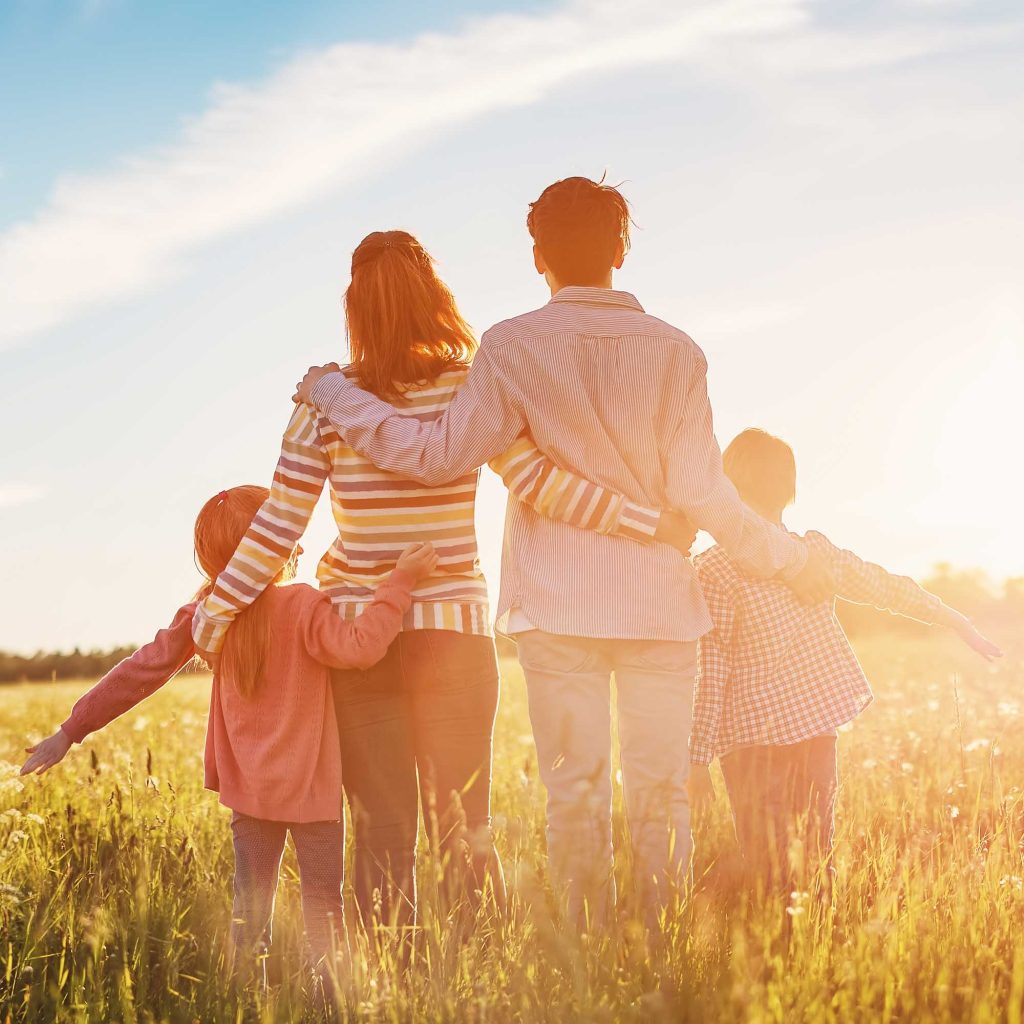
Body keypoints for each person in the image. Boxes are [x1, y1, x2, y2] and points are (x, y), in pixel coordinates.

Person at [294, 176, 835, 927]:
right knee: (660, 792)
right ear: (621, 249)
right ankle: (657, 942)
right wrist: (789, 559)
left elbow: (438, 456)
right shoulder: (679, 352)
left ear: (537, 255)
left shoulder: (511, 347)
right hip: (660, 609)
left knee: (573, 791)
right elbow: (705, 495)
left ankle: (586, 949)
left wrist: (336, 395)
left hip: (557, 606)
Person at [192, 229, 691, 941]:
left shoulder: (323, 404)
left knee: (383, 826)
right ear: (435, 295)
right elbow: (539, 483)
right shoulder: (471, 388)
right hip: (454, 635)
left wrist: (216, 611)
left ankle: (389, 985)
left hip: (358, 639)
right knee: (463, 821)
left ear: (355, 307)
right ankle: (473, 975)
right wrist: (644, 520)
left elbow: (277, 525)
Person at [21, 485, 437, 986]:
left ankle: (247, 1005)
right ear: (270, 544)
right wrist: (400, 583)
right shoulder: (303, 604)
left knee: (249, 916)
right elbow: (360, 647)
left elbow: (140, 671)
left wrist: (71, 731)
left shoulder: (207, 615)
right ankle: (329, 1007)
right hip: (312, 791)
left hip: (250, 791)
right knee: (323, 913)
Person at [687, 429, 1003, 894]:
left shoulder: (716, 566)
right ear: (789, 488)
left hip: (753, 744)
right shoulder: (813, 554)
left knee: (768, 862)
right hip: (810, 732)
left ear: (727, 483)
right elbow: (884, 587)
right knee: (815, 856)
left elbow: (710, 673)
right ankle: (811, 942)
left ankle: (780, 954)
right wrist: (953, 617)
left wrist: (695, 760)